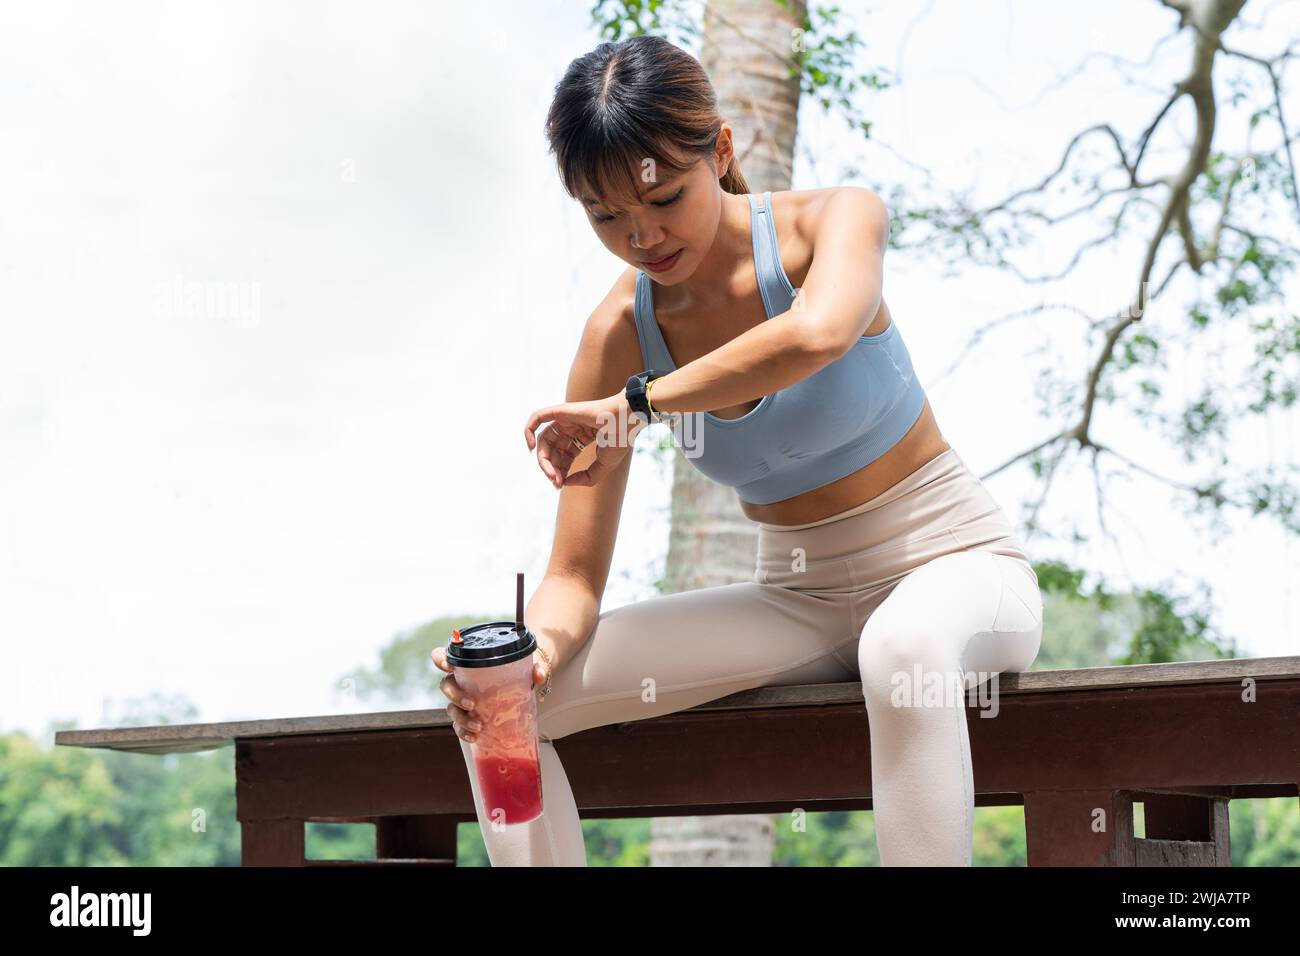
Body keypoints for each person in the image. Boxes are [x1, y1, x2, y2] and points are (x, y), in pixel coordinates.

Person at [432, 34, 1043, 867]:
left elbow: (816, 334)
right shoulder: (616, 335)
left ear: (720, 151)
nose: (641, 236)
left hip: (954, 562)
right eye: (606, 215)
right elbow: (573, 579)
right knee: (501, 709)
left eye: (664, 198)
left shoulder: (834, 221)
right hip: (799, 600)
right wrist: (521, 663)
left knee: (902, 649)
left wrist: (640, 404)